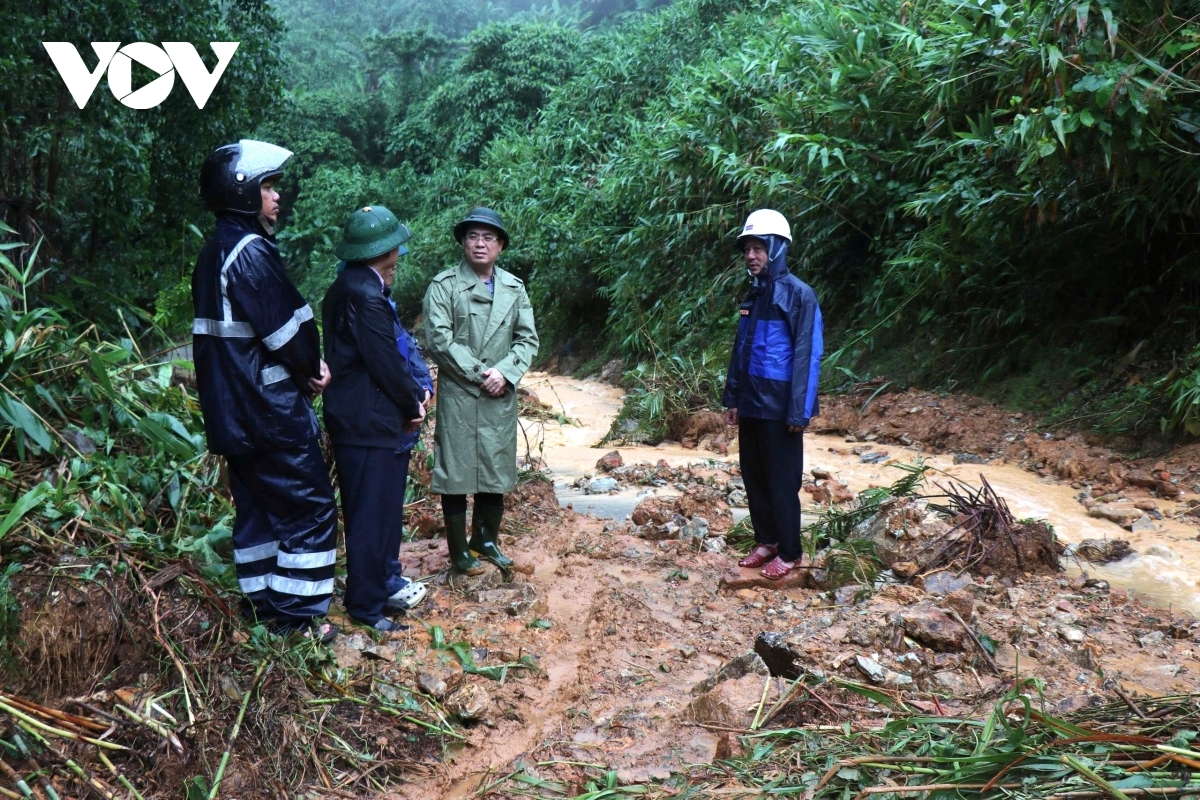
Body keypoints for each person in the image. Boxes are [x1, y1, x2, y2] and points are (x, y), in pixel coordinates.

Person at [192, 139, 338, 641]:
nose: (276, 197)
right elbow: (289, 334)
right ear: (245, 191)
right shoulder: (250, 252)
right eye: (269, 186)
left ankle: (262, 611)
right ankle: (296, 623)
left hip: (233, 417)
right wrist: (312, 367)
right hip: (269, 413)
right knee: (309, 508)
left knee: (257, 510)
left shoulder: (213, 251)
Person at [322, 206, 427, 632]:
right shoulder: (365, 295)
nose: (398, 259)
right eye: (395, 252)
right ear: (383, 251)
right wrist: (412, 404)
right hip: (367, 421)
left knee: (382, 510)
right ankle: (365, 606)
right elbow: (385, 361)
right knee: (369, 515)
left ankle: (380, 587)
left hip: (363, 417)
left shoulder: (350, 286)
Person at [422, 207, 539, 574]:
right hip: (460, 393)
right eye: (473, 236)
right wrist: (479, 373)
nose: (480, 243)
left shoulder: (514, 288)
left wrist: (504, 373)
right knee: (456, 472)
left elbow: (527, 339)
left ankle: (485, 539)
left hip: (498, 394)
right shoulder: (444, 286)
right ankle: (459, 550)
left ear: (500, 246)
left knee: (495, 466)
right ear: (462, 242)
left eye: (489, 237)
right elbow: (438, 340)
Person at [722, 209, 824, 581]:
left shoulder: (799, 295)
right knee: (753, 476)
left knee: (782, 482)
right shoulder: (755, 293)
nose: (751, 255)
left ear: (777, 248)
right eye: (747, 249)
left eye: (758, 248)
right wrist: (732, 398)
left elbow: (807, 356)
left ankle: (791, 551)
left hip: (780, 407)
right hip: (751, 403)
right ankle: (766, 541)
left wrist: (800, 412)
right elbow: (741, 348)